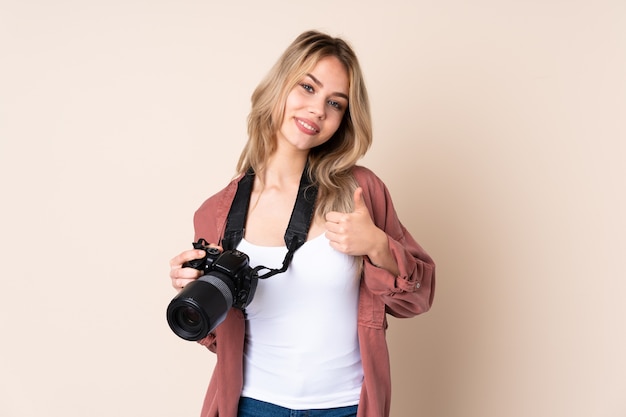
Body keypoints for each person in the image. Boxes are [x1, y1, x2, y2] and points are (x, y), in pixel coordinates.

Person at [169, 30, 435, 417]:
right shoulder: (217, 212)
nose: (317, 110)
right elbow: (216, 339)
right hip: (251, 405)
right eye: (307, 87)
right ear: (280, 87)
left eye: (335, 103)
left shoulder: (361, 192)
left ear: (344, 119)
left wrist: (378, 246)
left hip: (344, 406)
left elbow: (417, 298)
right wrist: (195, 293)